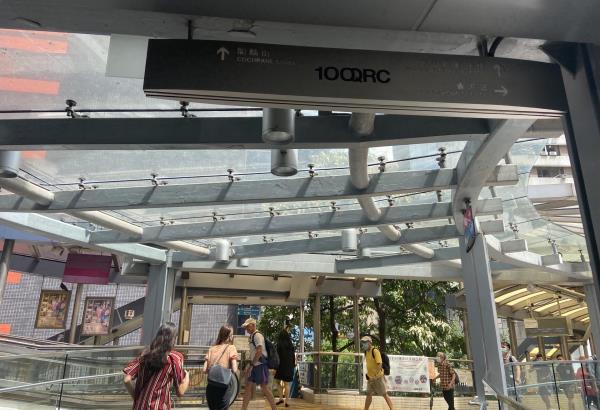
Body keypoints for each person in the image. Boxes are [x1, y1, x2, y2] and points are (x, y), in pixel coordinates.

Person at [123, 322, 189, 410]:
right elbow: (180, 391)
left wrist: (137, 398)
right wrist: (187, 376)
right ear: (173, 339)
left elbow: (127, 379)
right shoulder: (174, 358)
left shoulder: (145, 355)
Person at [241, 318, 277, 410]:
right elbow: (254, 353)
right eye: (245, 327)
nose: (246, 328)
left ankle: (274, 408)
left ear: (253, 325)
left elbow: (259, 351)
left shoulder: (257, 335)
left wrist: (251, 365)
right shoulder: (252, 336)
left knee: (264, 388)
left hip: (260, 365)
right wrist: (250, 365)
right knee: (248, 387)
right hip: (254, 365)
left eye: (247, 326)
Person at [203, 325, 239, 410]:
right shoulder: (231, 348)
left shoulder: (212, 349)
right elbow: (234, 369)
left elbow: (204, 370)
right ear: (230, 336)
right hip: (224, 388)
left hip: (211, 387)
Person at [361, 336, 393, 410]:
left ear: (370, 343)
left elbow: (380, 364)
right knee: (368, 394)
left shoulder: (375, 351)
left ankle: (392, 409)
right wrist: (370, 376)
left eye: (365, 342)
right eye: (363, 342)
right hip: (370, 377)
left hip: (378, 377)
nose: (364, 344)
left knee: (384, 394)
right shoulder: (366, 352)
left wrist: (375, 376)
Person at [275, 321, 296, 407]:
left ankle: (280, 398)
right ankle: (287, 402)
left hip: (280, 366)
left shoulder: (279, 344)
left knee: (277, 382)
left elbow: (277, 356)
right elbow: (293, 356)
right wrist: (293, 365)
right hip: (288, 366)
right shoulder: (290, 345)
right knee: (287, 384)